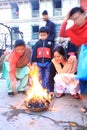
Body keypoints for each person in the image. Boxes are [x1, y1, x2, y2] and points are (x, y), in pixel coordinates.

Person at [59, 7, 87, 113]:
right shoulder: (75, 29)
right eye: (74, 19)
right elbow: (62, 33)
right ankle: (85, 106)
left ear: (83, 14)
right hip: (84, 56)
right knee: (83, 81)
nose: (76, 21)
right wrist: (66, 20)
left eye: (78, 17)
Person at [31, 26, 54, 92]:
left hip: (48, 63)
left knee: (47, 77)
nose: (43, 37)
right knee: (40, 77)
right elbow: (34, 52)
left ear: (47, 34)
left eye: (44, 35)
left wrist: (52, 61)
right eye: (41, 35)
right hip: (39, 63)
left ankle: (46, 89)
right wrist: (34, 61)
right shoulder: (37, 43)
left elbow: (52, 52)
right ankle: (40, 89)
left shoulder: (50, 43)